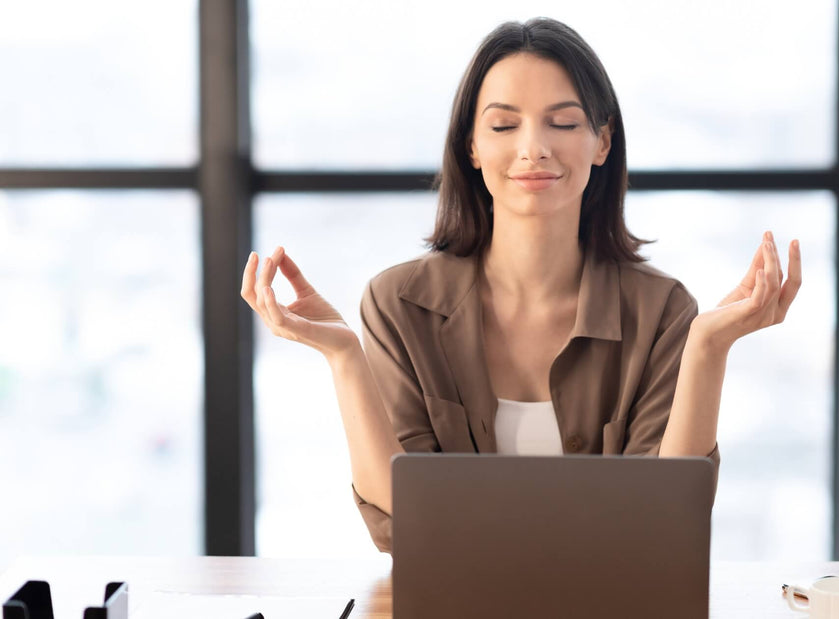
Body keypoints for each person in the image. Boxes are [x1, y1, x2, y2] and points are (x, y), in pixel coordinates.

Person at [240, 17, 800, 553]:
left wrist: (709, 346)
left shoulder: (664, 310)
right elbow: (404, 521)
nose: (534, 148)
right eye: (504, 125)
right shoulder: (399, 304)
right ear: (473, 147)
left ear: (602, 143)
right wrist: (343, 356)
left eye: (563, 122)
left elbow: (664, 524)